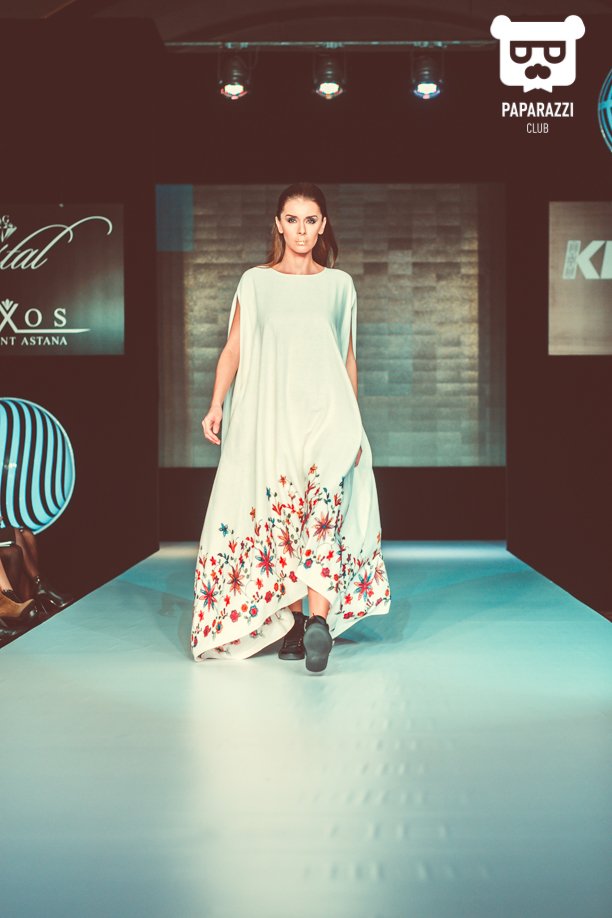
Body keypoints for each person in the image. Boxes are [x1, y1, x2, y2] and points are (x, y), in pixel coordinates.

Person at [191, 182, 391, 672]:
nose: (302, 230)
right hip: (274, 421)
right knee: (286, 516)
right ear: (279, 225)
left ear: (323, 226)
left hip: (330, 417)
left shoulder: (340, 285)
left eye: (311, 220)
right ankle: (300, 623)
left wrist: (354, 424)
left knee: (323, 510)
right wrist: (216, 404)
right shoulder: (255, 283)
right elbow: (234, 349)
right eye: (293, 220)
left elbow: (347, 358)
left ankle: (317, 622)